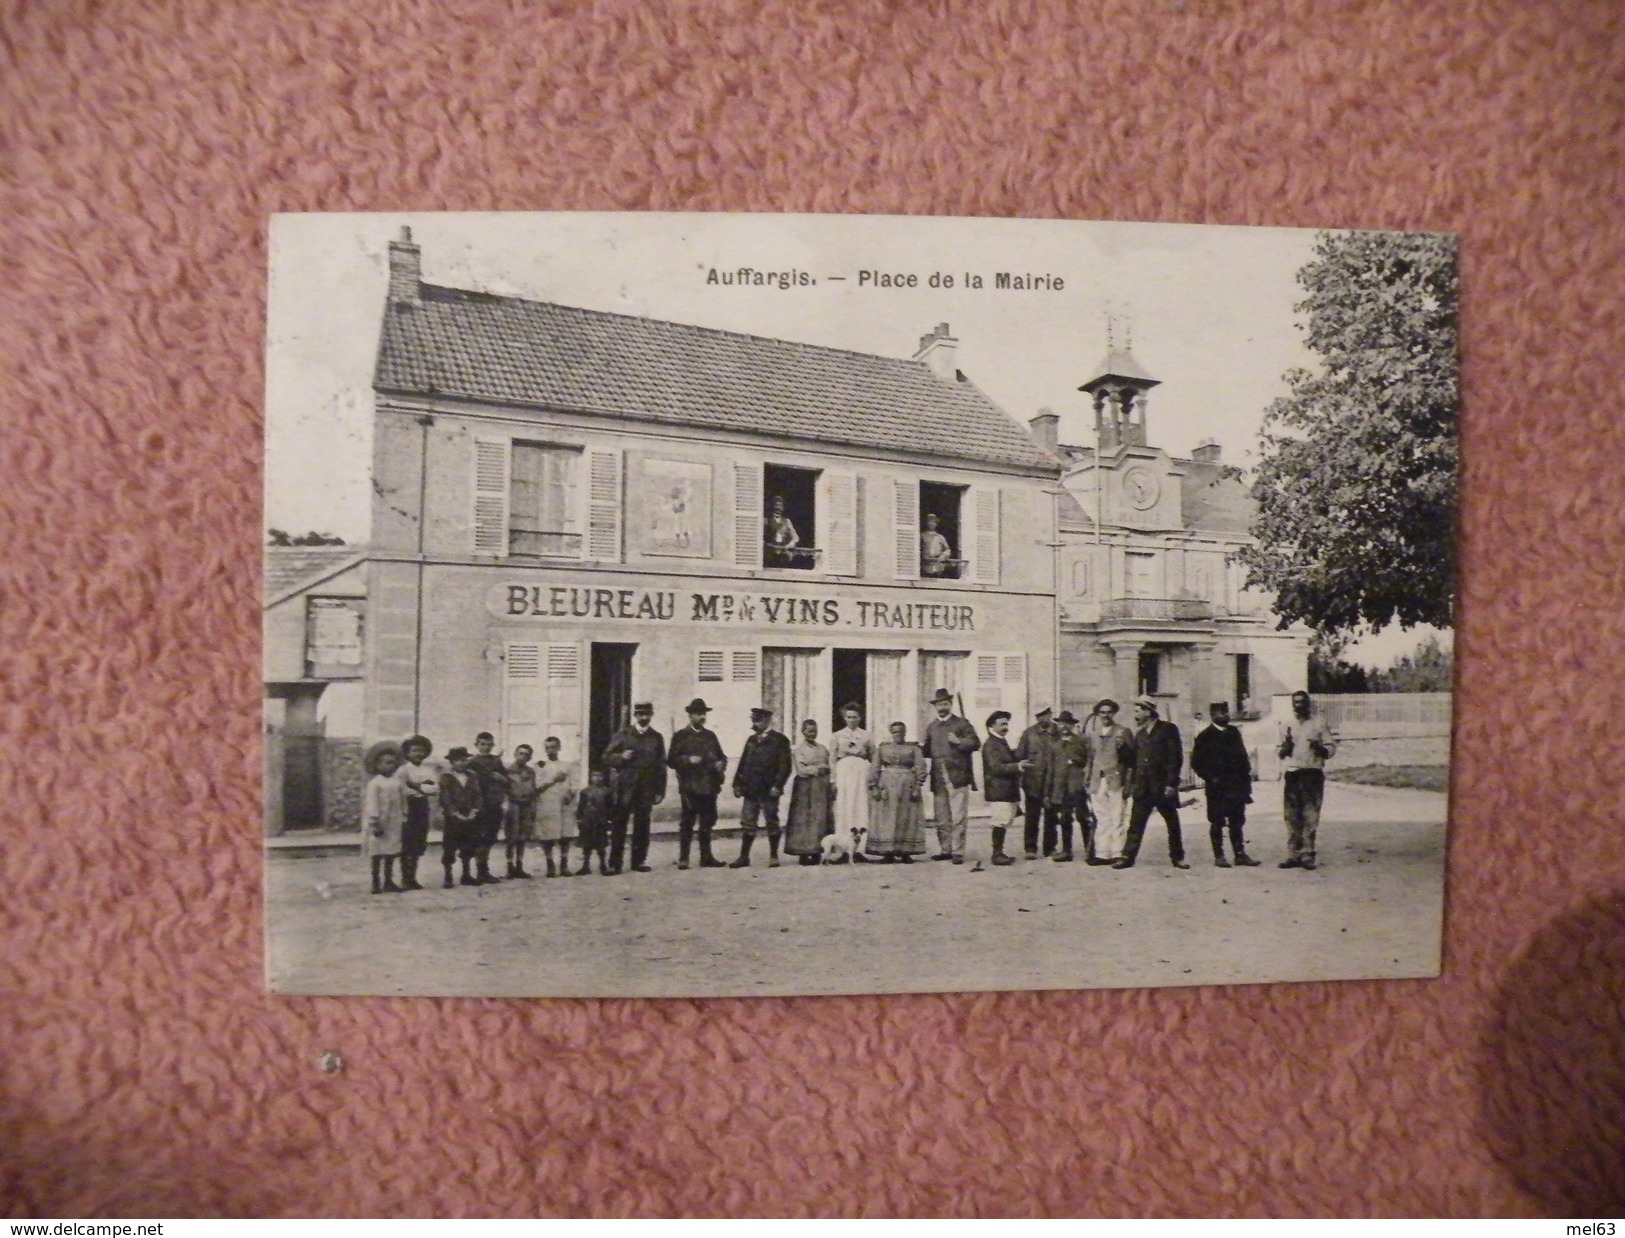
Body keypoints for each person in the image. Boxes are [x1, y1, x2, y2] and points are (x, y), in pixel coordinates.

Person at [1115, 696, 1188, 870]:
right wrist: (1122, 748)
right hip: (1143, 788)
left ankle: (1177, 857)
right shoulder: (1139, 735)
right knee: (1135, 823)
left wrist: (1171, 783)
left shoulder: (1168, 730)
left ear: (1149, 711)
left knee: (1172, 823)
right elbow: (1133, 761)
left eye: (1138, 711)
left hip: (1162, 787)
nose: (1135, 714)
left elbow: (1175, 758)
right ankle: (1127, 857)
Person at [1191, 702, 1260, 868]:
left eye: (1227, 712)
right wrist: (1210, 778)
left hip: (1236, 786)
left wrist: (1246, 782)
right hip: (1217, 788)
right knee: (1217, 821)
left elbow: (1243, 757)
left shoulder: (1234, 732)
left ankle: (1240, 854)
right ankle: (1219, 855)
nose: (1226, 715)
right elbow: (1196, 762)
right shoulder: (1204, 736)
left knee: (1237, 821)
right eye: (1222, 712)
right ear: (1213, 715)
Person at [602, 702, 667, 875]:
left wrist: (660, 790)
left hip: (647, 788)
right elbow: (606, 757)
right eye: (641, 714)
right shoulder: (623, 735)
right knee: (619, 825)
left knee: (642, 825)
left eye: (647, 714)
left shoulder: (656, 737)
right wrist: (621, 757)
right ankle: (614, 863)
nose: (644, 718)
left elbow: (661, 765)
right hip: (625, 787)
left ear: (651, 715)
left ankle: (638, 861)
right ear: (635, 716)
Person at [1277, 690, 1337, 870]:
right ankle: (1293, 854)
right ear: (1292, 705)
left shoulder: (1319, 723)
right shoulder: (1287, 724)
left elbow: (1331, 747)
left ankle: (1307, 854)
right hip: (1293, 773)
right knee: (1291, 815)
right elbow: (1279, 750)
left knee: (1310, 814)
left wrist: (1320, 748)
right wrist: (1285, 748)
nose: (1299, 705)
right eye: (1295, 702)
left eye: (1302, 702)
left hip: (1312, 773)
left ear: (1308, 703)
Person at [666, 698, 727, 871]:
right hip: (690, 787)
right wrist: (687, 759)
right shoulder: (680, 736)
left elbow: (721, 756)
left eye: (703, 714)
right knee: (687, 823)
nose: (702, 717)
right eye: (698, 714)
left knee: (707, 822)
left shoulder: (710, 736)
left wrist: (721, 764)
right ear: (690, 715)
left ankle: (706, 857)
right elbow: (671, 760)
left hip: (709, 786)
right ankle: (684, 858)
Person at [923, 688, 981, 864]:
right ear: (935, 706)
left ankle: (957, 852)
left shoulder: (962, 724)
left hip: (957, 775)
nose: (942, 707)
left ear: (951, 704)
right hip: (938, 776)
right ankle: (945, 849)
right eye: (939, 704)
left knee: (958, 816)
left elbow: (976, 743)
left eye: (945, 703)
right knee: (941, 817)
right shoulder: (932, 727)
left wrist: (959, 741)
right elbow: (927, 750)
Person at [731, 706, 793, 868]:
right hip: (750, 789)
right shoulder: (751, 740)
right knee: (747, 823)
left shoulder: (780, 740)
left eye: (757, 721)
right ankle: (744, 857)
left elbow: (785, 766)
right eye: (753, 721)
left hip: (769, 789)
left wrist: (778, 786)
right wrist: (737, 784)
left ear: (767, 720)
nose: (754, 724)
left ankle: (773, 856)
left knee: (772, 822)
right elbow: (743, 763)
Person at [1082, 699, 1134, 865]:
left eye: (1109, 712)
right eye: (1102, 712)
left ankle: (1117, 852)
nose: (1106, 715)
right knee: (1101, 816)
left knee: (1117, 816)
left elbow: (1131, 760)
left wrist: (1128, 782)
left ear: (1114, 713)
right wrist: (1088, 777)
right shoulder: (1093, 734)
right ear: (1098, 714)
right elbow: (1090, 758)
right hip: (1098, 780)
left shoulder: (1123, 732)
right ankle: (1102, 853)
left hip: (1116, 779)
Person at [867, 721, 929, 861]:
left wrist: (918, 785)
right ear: (891, 733)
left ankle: (905, 852)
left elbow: (921, 767)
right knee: (887, 817)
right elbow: (875, 767)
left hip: (907, 784)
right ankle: (887, 852)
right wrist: (874, 786)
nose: (898, 735)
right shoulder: (883, 749)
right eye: (895, 732)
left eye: (901, 732)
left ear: (905, 732)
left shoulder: (913, 749)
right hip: (887, 785)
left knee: (907, 817)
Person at [1012, 705, 1061, 859]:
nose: (1042, 718)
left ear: (1050, 714)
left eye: (1045, 714)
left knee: (1051, 816)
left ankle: (1050, 847)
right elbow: (1020, 755)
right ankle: (1030, 848)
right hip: (1032, 781)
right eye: (1039, 715)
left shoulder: (1058, 732)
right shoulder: (1028, 734)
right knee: (1032, 816)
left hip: (1053, 782)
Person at [829, 702, 876, 862]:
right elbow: (832, 759)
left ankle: (859, 849)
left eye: (855, 717)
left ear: (860, 718)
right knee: (844, 807)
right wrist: (833, 780)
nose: (852, 720)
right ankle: (842, 850)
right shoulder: (837, 736)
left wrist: (873, 776)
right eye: (849, 717)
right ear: (844, 718)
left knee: (860, 806)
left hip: (861, 772)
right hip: (843, 772)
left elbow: (873, 756)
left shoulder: (867, 735)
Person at [1042, 711, 1091, 861]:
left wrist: (1073, 759)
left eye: (1067, 724)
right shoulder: (1054, 745)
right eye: (1061, 724)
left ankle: (1090, 850)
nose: (1064, 727)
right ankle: (1067, 851)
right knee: (1064, 819)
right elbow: (1050, 769)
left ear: (1072, 725)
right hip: (1060, 788)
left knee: (1083, 817)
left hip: (1077, 786)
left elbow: (1085, 761)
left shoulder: (1081, 742)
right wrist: (1047, 792)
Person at [784, 718, 833, 865]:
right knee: (803, 818)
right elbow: (801, 770)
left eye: (815, 731)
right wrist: (818, 769)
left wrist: (826, 771)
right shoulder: (798, 750)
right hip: (804, 787)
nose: (812, 734)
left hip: (820, 786)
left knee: (820, 817)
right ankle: (803, 852)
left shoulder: (823, 748)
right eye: (809, 731)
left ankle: (818, 850)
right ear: (803, 732)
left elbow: (829, 765)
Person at [362, 740, 406, 894]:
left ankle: (388, 881)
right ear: (378, 765)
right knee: (377, 852)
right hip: (379, 822)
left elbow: (402, 799)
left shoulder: (397, 782)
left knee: (391, 852)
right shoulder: (375, 784)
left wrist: (404, 815)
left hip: (394, 822)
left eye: (393, 763)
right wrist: (375, 822)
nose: (391, 766)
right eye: (387, 763)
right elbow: (372, 804)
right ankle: (376, 882)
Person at [438, 746, 486, 887]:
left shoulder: (472, 776)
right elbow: (445, 798)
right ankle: (448, 876)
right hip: (453, 818)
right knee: (450, 846)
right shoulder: (446, 778)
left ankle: (466, 874)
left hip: (470, 816)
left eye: (464, 760)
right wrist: (455, 813)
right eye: (457, 761)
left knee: (469, 845)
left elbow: (478, 795)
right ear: (451, 762)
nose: (461, 763)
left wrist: (474, 811)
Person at [467, 732, 510, 885]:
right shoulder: (472, 763)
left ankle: (484, 871)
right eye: (482, 744)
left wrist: (501, 778)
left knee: (490, 838)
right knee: (480, 839)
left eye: (488, 745)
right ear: (476, 745)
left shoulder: (496, 761)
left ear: (493, 745)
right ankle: (479, 872)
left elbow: (507, 781)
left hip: (494, 804)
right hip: (480, 806)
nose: (485, 748)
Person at [397, 734, 438, 891]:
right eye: (414, 750)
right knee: (407, 841)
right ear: (407, 753)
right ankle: (405, 877)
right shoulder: (403, 770)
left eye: (422, 750)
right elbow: (401, 789)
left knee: (419, 841)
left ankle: (412, 877)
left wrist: (418, 786)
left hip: (422, 806)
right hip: (408, 806)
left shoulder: (428, 770)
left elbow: (433, 789)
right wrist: (420, 787)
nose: (418, 754)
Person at [533, 736, 579, 878]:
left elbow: (574, 784)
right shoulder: (540, 766)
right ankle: (550, 865)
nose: (550, 750)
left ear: (559, 748)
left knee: (566, 834)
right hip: (547, 803)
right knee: (548, 835)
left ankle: (564, 865)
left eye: (553, 747)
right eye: (547, 747)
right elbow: (537, 787)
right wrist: (553, 780)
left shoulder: (567, 765)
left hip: (564, 804)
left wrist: (570, 795)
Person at [980, 711, 1021, 866]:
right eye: (1002, 724)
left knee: (1005, 820)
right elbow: (995, 767)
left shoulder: (1000, 742)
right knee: (1000, 821)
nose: (1006, 727)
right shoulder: (991, 744)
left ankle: (999, 852)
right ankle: (996, 854)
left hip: (1006, 789)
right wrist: (1017, 766)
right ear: (992, 726)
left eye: (1006, 724)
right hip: (998, 790)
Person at [502, 743, 540, 879]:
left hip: (526, 806)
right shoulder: (507, 771)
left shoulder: (530, 772)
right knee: (511, 837)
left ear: (530, 757)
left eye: (526, 754)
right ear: (515, 754)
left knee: (522, 837)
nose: (523, 757)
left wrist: (533, 807)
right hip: (513, 806)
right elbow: (505, 789)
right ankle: (509, 867)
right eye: (521, 753)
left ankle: (519, 866)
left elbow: (533, 789)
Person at [573, 768, 614, 877]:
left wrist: (610, 820)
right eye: (594, 776)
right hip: (588, 821)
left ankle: (603, 866)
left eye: (600, 776)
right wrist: (579, 819)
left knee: (601, 845)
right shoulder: (585, 791)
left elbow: (610, 808)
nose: (597, 778)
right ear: (591, 777)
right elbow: (580, 806)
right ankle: (585, 866)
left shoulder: (607, 791)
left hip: (601, 821)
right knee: (586, 845)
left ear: (603, 777)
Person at [764, 495, 802, 567]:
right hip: (770, 554)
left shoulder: (787, 522)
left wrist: (789, 545)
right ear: (773, 507)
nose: (778, 508)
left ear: (783, 508)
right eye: (776, 505)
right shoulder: (766, 521)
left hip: (783, 555)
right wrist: (767, 545)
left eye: (780, 505)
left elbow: (796, 538)